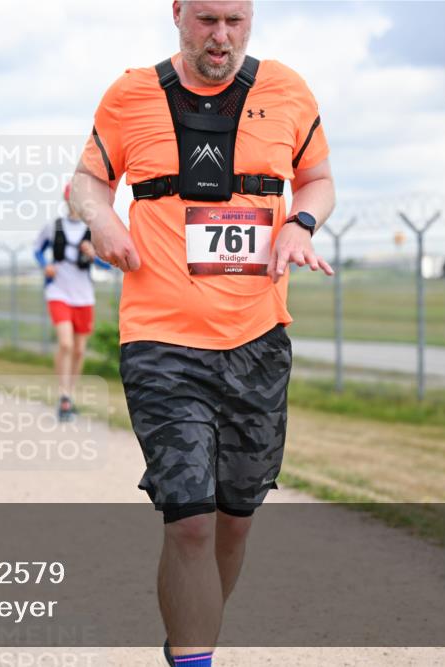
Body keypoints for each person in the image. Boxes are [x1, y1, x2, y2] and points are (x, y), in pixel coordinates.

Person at [72, 2, 335, 665]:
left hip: (258, 340)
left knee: (234, 520)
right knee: (189, 518)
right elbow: (86, 181)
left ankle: (189, 638)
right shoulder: (131, 93)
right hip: (162, 340)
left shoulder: (289, 90)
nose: (222, 36)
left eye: (236, 21)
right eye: (207, 19)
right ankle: (196, 658)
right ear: (178, 13)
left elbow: (318, 181)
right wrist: (101, 219)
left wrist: (300, 224)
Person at [34, 183, 111, 421]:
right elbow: (37, 250)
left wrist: (93, 255)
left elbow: (108, 263)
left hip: (84, 295)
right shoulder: (53, 227)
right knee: (66, 344)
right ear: (66, 201)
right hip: (59, 291)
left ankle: (71, 393)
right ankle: (63, 394)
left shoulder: (93, 229)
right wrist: (44, 265)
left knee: (79, 350)